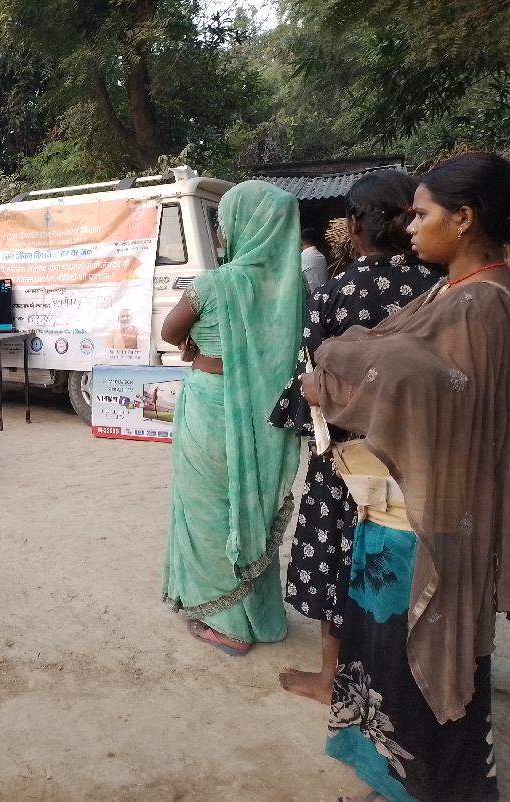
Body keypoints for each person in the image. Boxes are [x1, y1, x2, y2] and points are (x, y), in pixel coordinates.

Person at [303, 153, 510, 802]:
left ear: (463, 217)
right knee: (384, 663)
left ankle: (421, 790)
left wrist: (340, 375)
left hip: (431, 523)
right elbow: (378, 351)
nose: (410, 227)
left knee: (419, 668)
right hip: (392, 515)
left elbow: (446, 409)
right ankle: (389, 785)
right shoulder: (447, 290)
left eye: (421, 215)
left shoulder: (484, 304)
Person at [269, 172, 440, 704]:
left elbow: (309, 386)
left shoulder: (335, 294)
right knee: (412, 571)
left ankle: (330, 678)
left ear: (354, 225)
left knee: (337, 565)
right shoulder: (443, 290)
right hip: (421, 457)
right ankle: (407, 677)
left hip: (347, 461)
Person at [159, 180, 304, 656]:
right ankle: (261, 618)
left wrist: (200, 339)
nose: (221, 234)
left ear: (244, 226)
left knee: (209, 509)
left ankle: (226, 624)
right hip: (265, 414)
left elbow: (169, 331)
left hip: (212, 406)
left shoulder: (216, 283)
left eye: (223, 224)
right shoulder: (295, 289)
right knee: (251, 507)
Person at [301, 228, 329, 292]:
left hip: (311, 296)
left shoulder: (301, 258)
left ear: (301, 241)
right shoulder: (322, 257)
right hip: (324, 294)